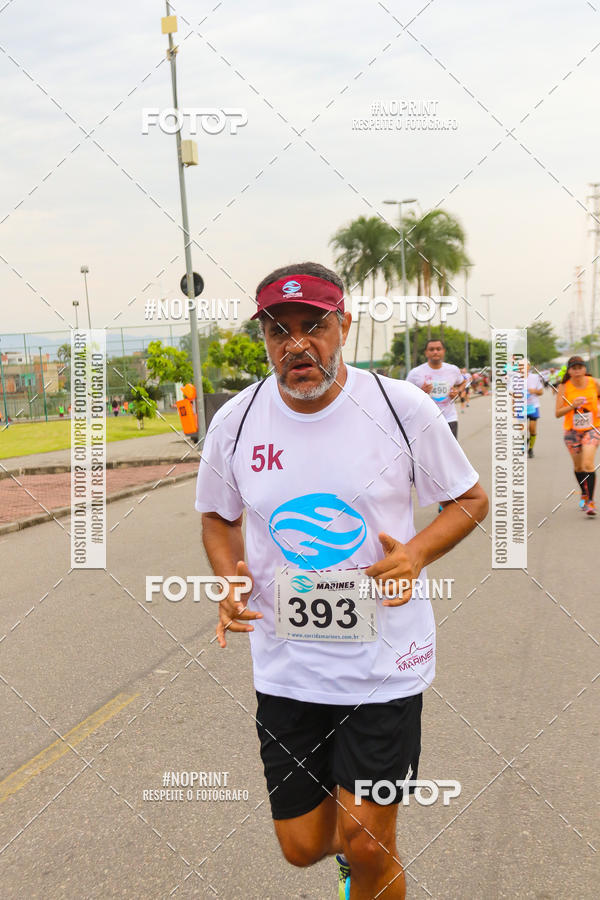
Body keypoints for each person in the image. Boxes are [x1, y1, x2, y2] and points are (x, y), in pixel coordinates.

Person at [195, 262, 488, 899]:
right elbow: (218, 518)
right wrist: (230, 579)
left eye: (314, 326)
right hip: (286, 669)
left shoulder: (399, 407)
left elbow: (468, 499)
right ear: (265, 341)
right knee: (303, 847)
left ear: (344, 327)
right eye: (278, 331)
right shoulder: (237, 422)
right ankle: (356, 856)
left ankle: (366, 853)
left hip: (384, 664)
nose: (297, 344)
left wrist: (414, 554)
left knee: (366, 839)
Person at [555, 356, 600, 516]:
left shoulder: (594, 382)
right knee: (579, 467)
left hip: (593, 428)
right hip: (572, 431)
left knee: (588, 464)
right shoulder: (564, 387)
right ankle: (584, 492)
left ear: (585, 369)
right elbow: (557, 413)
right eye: (574, 368)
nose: (578, 370)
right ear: (569, 371)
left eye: (580, 367)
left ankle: (590, 502)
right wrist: (572, 406)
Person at [406, 340, 465, 438]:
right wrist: (421, 392)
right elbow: (405, 394)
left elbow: (463, 382)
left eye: (438, 349)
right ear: (426, 353)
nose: (435, 352)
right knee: (429, 453)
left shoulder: (453, 370)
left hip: (449, 419)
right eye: (431, 349)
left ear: (444, 351)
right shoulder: (416, 373)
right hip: (426, 421)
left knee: (450, 452)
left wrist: (457, 392)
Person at [526, 363, 544, 458]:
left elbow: (541, 392)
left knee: (532, 428)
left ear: (529, 366)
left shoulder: (535, 377)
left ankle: (530, 449)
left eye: (525, 365)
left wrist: (534, 391)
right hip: (520, 407)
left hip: (533, 406)